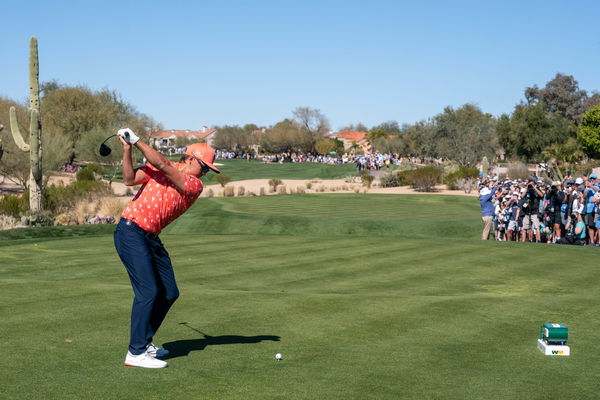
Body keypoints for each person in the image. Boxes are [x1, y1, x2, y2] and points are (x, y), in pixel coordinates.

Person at [113, 128, 220, 368]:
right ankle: (136, 352)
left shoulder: (193, 185)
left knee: (169, 292)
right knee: (149, 291)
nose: (204, 174)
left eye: (207, 171)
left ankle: (144, 341)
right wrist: (128, 149)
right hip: (130, 231)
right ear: (190, 158)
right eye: (204, 167)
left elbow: (161, 164)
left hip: (150, 237)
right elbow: (129, 179)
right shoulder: (162, 168)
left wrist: (137, 139)